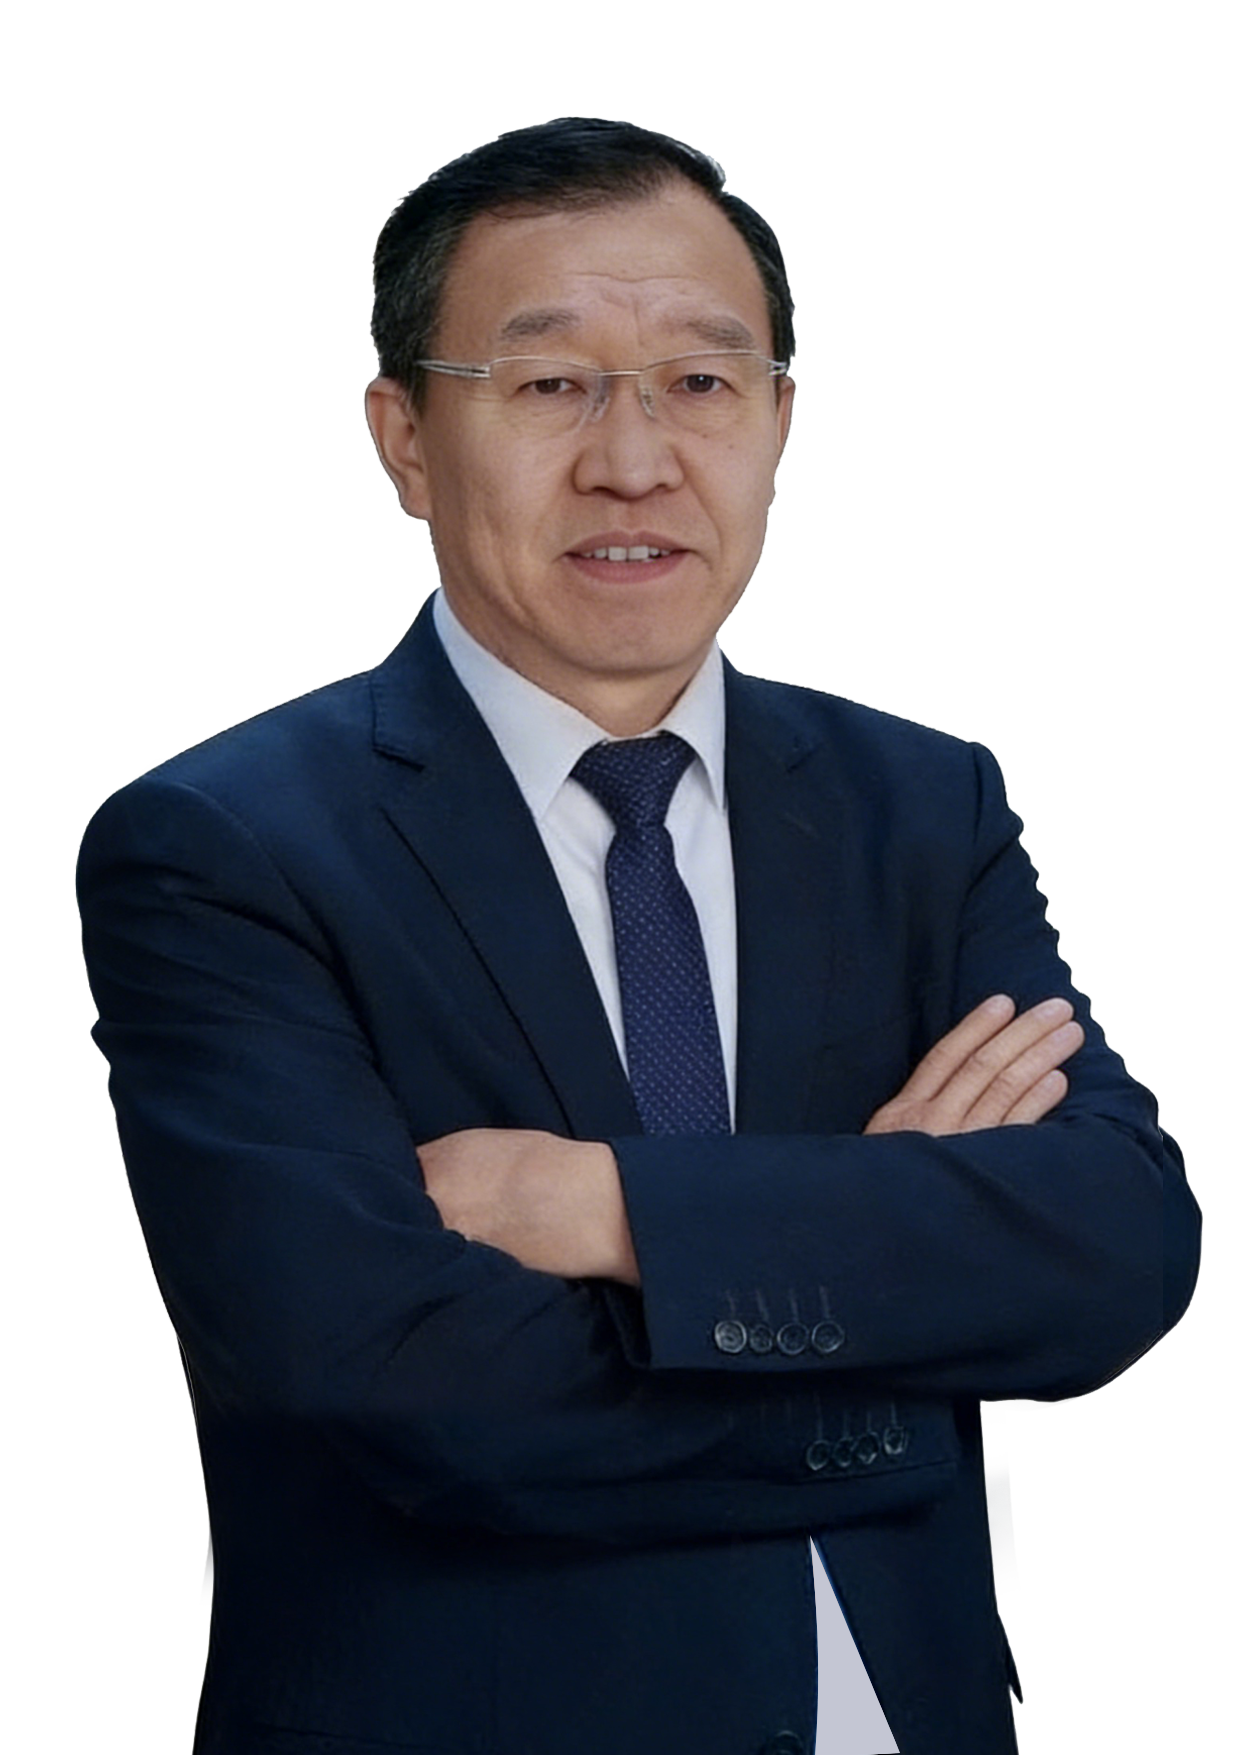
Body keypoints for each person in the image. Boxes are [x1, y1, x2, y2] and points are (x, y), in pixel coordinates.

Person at [76, 118, 1200, 1755]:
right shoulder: (225, 846)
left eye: (701, 382)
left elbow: (1118, 1244)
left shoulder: (916, 804)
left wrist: (603, 1205)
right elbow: (404, 1388)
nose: (635, 459)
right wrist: (900, 1295)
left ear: (778, 420)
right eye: (549, 383)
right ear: (405, 436)